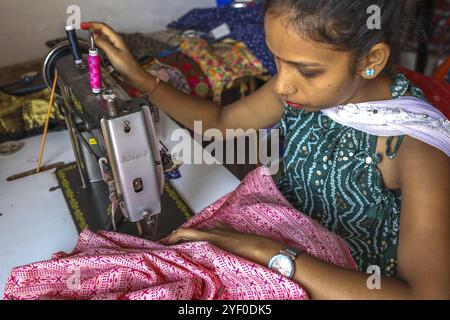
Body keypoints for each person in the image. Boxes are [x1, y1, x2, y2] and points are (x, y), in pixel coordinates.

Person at [80, 0, 450, 299]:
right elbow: (221, 123)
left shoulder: (415, 150)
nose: (282, 86)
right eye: (277, 60)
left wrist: (266, 252)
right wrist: (141, 78)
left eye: (305, 71)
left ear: (371, 61)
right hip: (282, 250)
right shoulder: (306, 91)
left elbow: (424, 296)